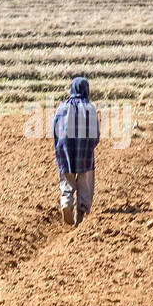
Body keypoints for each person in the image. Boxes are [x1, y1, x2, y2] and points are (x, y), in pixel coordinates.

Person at [51, 75, 100, 226]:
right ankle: (82, 211)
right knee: (85, 181)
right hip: (84, 150)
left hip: (64, 149)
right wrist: (90, 146)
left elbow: (55, 129)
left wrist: (59, 148)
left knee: (67, 179)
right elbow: (95, 133)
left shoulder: (62, 107)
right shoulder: (90, 108)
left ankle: (66, 203)